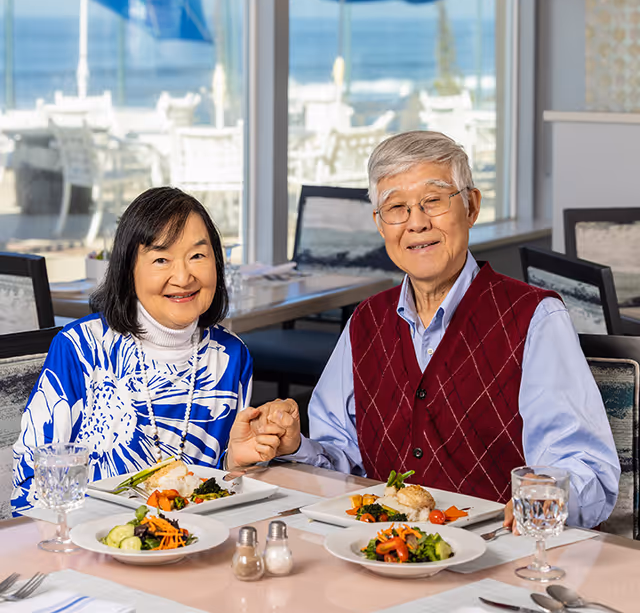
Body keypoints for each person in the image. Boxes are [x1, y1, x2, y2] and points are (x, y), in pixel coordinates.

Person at [259, 130, 620, 529]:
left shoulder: (536, 318)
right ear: (380, 225)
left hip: (496, 557)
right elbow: (342, 459)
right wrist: (293, 445)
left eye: (433, 200)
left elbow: (587, 470)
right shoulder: (366, 322)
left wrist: (548, 490)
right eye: (396, 207)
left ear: (471, 206)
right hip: (380, 552)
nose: (416, 223)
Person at [12, 187, 282, 515]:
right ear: (128, 271)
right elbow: (30, 480)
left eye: (198, 255)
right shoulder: (81, 349)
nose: (183, 277)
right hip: (92, 545)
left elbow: (221, 493)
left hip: (195, 549)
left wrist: (236, 462)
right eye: (161, 259)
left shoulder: (230, 356)